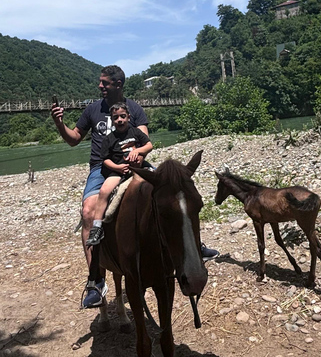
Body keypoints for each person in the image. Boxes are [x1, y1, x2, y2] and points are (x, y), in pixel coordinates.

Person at [51, 65, 219, 309]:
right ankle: (95, 281)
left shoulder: (135, 109)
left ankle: (194, 247)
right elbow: (73, 139)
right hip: (103, 168)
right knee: (88, 210)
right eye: (101, 82)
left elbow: (144, 140)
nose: (100, 86)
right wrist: (59, 123)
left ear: (118, 84)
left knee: (172, 193)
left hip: (136, 165)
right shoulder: (92, 110)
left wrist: (138, 155)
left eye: (104, 83)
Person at [85, 102, 153, 247]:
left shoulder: (135, 132)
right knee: (103, 191)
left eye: (123, 116)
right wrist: (117, 167)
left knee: (160, 180)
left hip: (138, 168)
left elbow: (149, 145)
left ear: (128, 117)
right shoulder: (109, 138)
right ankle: (96, 227)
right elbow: (105, 160)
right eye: (116, 118)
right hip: (118, 171)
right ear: (112, 120)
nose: (120, 120)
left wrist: (137, 151)